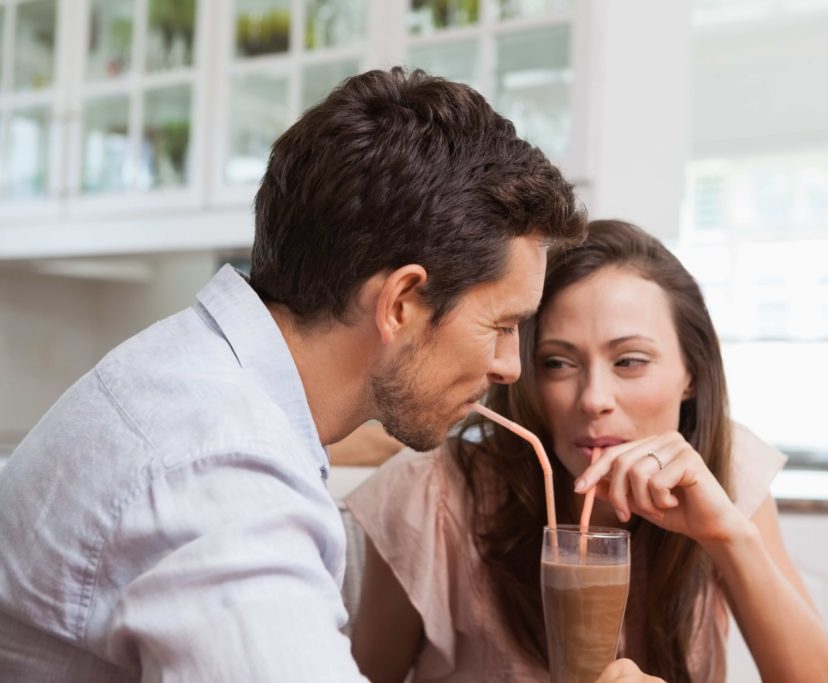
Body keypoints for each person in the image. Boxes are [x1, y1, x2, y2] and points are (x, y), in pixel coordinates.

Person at [0, 67, 607, 682]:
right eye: (502, 325)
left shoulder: (199, 384)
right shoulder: (222, 469)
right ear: (400, 304)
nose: (509, 365)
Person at [346, 220, 828, 682]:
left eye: (630, 361)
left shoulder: (724, 470)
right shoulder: (431, 494)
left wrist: (727, 535)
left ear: (690, 376)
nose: (592, 400)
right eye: (558, 364)